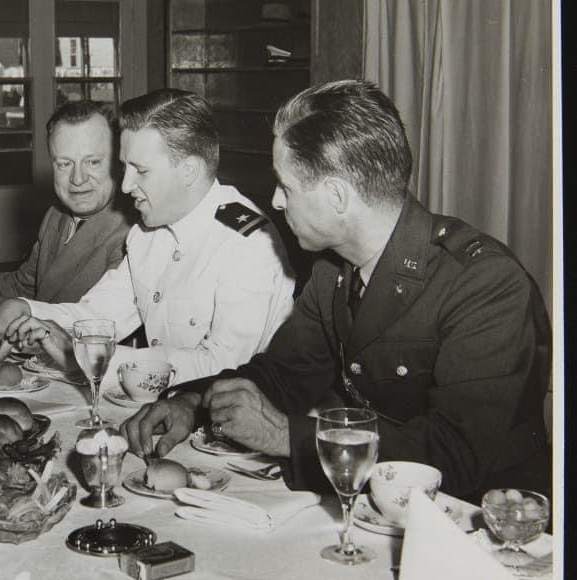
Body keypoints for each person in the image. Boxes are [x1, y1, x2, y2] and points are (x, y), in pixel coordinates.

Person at [122, 80, 552, 503]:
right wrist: (193, 402)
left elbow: (455, 455)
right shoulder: (334, 269)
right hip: (373, 501)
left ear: (337, 197)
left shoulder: (485, 286)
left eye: (286, 187)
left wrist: (284, 436)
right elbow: (285, 373)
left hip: (482, 525)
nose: (274, 201)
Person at [0, 88, 295, 384]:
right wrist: (22, 309)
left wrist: (87, 355)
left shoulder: (248, 245)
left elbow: (223, 368)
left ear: (189, 171)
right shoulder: (149, 234)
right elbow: (97, 316)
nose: (124, 186)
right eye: (125, 168)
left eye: (142, 170)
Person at [0, 100, 132, 316]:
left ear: (117, 162)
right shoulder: (57, 215)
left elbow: (90, 321)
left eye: (92, 162)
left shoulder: (130, 234)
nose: (77, 178)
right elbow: (22, 286)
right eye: (64, 163)